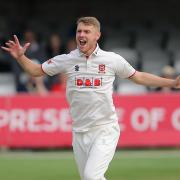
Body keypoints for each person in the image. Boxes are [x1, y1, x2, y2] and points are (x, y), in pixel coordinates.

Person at [1, 17, 180, 180]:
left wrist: (172, 83)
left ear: (97, 35)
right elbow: (35, 71)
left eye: (86, 31)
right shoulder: (67, 59)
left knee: (90, 176)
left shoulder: (111, 59)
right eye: (79, 31)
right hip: (79, 132)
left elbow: (138, 77)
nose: (81, 35)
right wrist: (21, 57)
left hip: (104, 129)